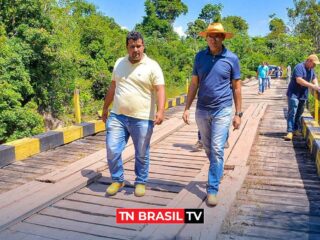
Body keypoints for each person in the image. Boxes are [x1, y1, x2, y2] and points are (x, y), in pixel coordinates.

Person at [182, 22, 242, 206]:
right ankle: (217, 168)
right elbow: (194, 84)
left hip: (222, 109)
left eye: (217, 35)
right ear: (206, 37)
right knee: (208, 147)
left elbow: (237, 88)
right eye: (211, 35)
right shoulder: (200, 57)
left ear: (223, 38)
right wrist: (186, 108)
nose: (214, 39)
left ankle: (212, 188)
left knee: (216, 148)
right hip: (202, 109)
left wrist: (238, 113)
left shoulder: (231, 58)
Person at [102, 31, 165, 197]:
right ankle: (117, 179)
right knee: (112, 148)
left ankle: (141, 181)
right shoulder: (119, 63)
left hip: (143, 118)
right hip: (118, 116)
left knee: (142, 152)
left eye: (139, 46)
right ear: (127, 47)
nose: (136, 49)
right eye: (132, 47)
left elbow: (160, 89)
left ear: (143, 46)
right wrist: (105, 107)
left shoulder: (152, 66)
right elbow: (113, 87)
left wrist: (161, 110)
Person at [284, 54, 320, 141]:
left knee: (299, 112)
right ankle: (289, 131)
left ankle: (295, 129)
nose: (315, 65)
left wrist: (317, 86)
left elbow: (314, 78)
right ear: (309, 61)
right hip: (294, 93)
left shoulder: (311, 69)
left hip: (303, 94)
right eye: (314, 63)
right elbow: (299, 80)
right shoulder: (299, 67)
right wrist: (312, 86)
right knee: (292, 111)